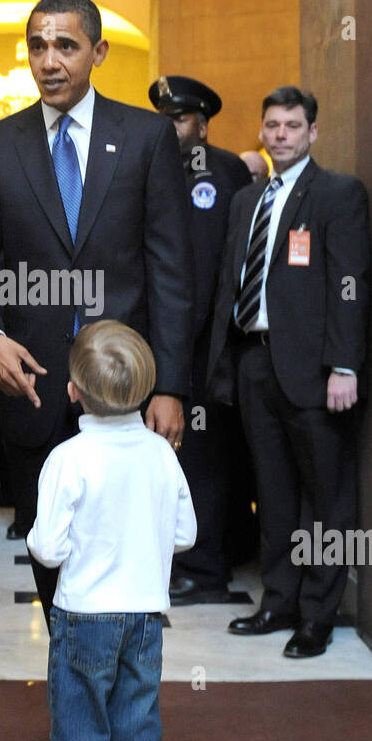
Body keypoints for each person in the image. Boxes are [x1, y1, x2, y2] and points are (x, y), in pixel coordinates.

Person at [0, 0, 194, 741]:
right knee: (60, 601)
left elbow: (170, 268)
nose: (48, 59)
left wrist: (169, 386)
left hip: (128, 409)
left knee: (127, 602)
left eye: (64, 44)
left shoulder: (147, 140)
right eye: (36, 45)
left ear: (97, 52)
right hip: (28, 401)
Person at [17, 321, 196, 741]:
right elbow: (186, 534)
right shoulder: (162, 456)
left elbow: (47, 548)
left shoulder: (68, 458)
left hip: (84, 619)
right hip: (145, 618)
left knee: (79, 737)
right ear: (145, 389)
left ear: (73, 391)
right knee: (137, 732)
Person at [207, 86, 371, 658]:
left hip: (315, 371)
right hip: (255, 364)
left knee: (326, 500)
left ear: (312, 134)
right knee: (272, 494)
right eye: (272, 125)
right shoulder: (245, 201)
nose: (280, 134)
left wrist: (343, 366)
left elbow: (350, 287)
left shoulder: (337, 194)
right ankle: (277, 601)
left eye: (292, 126)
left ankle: (317, 616)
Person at [148, 75, 254, 604]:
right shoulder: (158, 165)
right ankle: (192, 559)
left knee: (203, 458)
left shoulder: (217, 171)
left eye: (179, 118)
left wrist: (183, 349)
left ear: (202, 124)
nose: (170, 126)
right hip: (170, 342)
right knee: (179, 457)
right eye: (164, 117)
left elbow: (207, 268)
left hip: (204, 346)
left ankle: (206, 568)